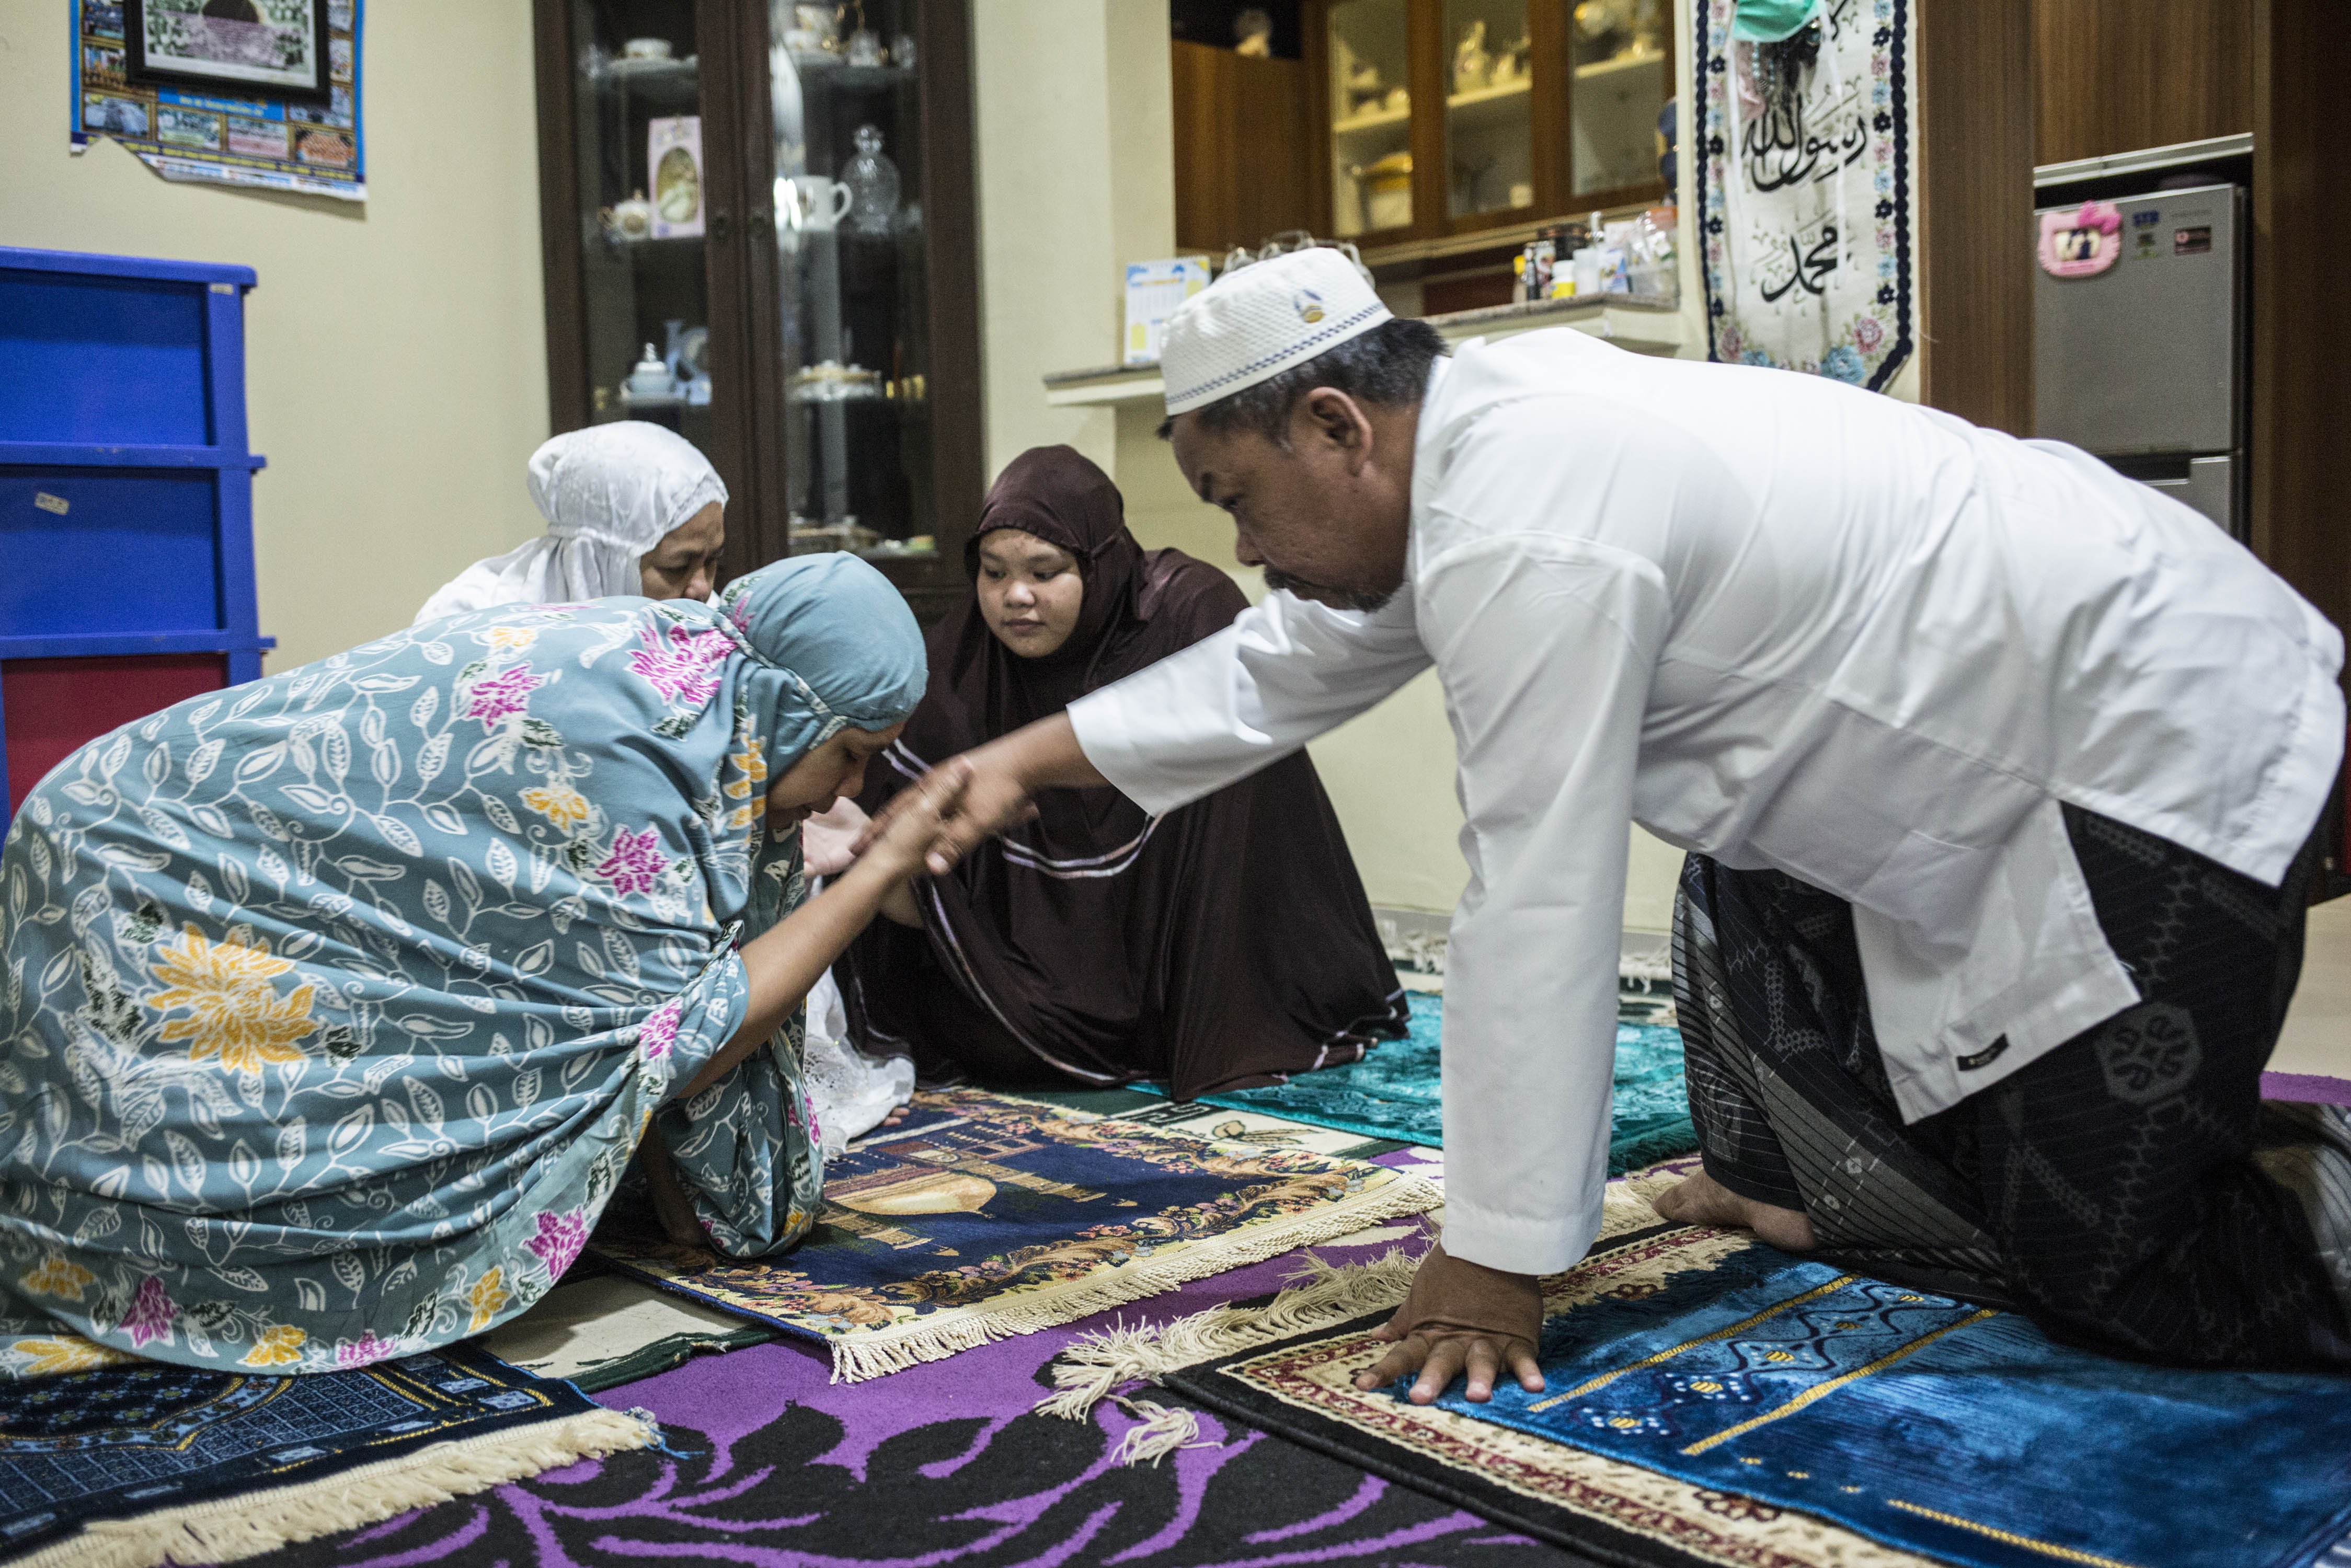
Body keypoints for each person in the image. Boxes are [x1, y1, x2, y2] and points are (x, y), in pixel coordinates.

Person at [866, 247, 2351, 1398]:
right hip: (1975, 770)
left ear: (1336, 425)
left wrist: (1496, 1254)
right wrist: (1024, 761)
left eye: (1238, 500)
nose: (1245, 550)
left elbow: (1537, 889)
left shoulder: (1527, 507)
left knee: (2118, 1269)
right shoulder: (1463, 454)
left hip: (2154, 743)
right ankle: (1830, 1177)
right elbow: (1296, 659)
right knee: (1745, 899)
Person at [0, 556, 966, 1378]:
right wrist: (876, 867)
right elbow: (681, 1043)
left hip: (136, 823)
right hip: (135, 859)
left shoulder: (700, 697)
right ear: (779, 709)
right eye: (846, 753)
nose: (849, 789)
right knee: (219, 1131)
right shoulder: (635, 744)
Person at [820, 444, 1405, 1098]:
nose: (1016, 597)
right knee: (970, 1031)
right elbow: (898, 860)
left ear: (1101, 565)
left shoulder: (1181, 615)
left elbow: (1229, 821)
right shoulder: (963, 661)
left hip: (1166, 954)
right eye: (992, 573)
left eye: (1047, 572)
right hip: (1029, 970)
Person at [416, 422, 728, 623]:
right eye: (676, 567)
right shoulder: (467, 622)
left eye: (713, 562)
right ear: (595, 559)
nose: (702, 588)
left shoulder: (713, 622)